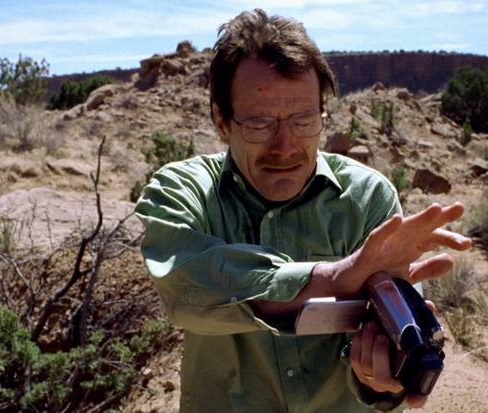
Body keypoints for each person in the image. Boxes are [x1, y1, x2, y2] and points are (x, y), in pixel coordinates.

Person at [135, 9, 471, 413]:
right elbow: (185, 287)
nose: (285, 146)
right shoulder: (184, 191)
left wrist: (383, 378)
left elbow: (393, 356)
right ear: (221, 121)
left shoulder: (367, 198)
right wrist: (340, 277)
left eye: (303, 120)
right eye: (260, 123)